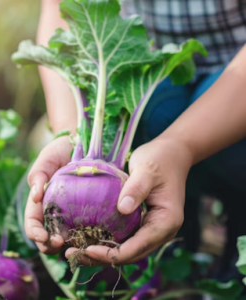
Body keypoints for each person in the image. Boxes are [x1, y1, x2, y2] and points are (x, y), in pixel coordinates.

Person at [24, 0, 246, 268]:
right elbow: (59, 11)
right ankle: (176, 255)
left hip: (235, 73)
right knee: (151, 115)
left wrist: (180, 147)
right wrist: (70, 133)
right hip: (149, 69)